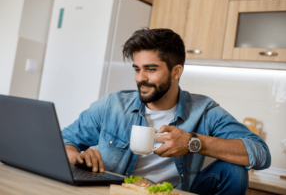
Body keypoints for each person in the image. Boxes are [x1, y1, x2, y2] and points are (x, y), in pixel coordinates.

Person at [62, 28, 271, 194]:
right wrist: (76, 157)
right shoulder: (112, 105)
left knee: (234, 172)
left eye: (151, 69)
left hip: (173, 193)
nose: (140, 78)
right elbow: (63, 141)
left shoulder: (204, 110)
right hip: (119, 192)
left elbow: (261, 154)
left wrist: (192, 142)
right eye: (137, 69)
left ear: (176, 71)